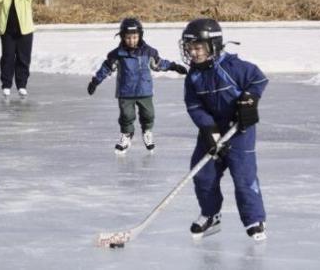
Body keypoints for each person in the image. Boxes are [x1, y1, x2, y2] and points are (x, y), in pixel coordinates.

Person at [181, 18, 268, 241]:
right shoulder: (194, 75)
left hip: (240, 132)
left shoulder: (233, 67)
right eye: (190, 48)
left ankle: (254, 220)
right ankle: (211, 216)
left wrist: (249, 100)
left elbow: (259, 79)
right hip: (210, 132)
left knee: (244, 177)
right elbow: (194, 105)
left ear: (214, 45)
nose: (193, 52)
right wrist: (209, 128)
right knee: (202, 174)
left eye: (198, 47)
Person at [87, 18, 188, 153]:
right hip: (126, 92)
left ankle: (147, 132)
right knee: (126, 116)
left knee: (148, 114)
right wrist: (95, 81)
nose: (131, 40)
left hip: (144, 91)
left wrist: (173, 66)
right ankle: (127, 134)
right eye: (128, 38)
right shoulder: (117, 55)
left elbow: (158, 64)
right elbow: (106, 69)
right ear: (123, 37)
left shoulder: (148, 52)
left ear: (140, 35)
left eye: (134, 37)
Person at [0, 0, 35, 99]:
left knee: (23, 58)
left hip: (25, 32)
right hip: (7, 32)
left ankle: (22, 85)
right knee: (7, 58)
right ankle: (6, 85)